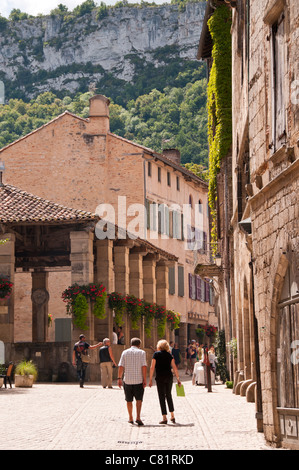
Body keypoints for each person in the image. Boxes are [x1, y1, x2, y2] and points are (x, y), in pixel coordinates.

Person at [149, 339, 181, 424]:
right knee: (169, 395)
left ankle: (164, 417)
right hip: (169, 377)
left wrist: (150, 379)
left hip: (160, 377)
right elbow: (174, 367)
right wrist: (178, 379)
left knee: (161, 396)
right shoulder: (169, 355)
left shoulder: (156, 354)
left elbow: (152, 367)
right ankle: (172, 415)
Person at [118, 337, 147, 425]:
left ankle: (130, 417)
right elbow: (144, 366)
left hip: (127, 380)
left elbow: (121, 366)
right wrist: (144, 379)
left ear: (131, 344)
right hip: (138, 380)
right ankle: (138, 416)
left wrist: (119, 378)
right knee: (139, 399)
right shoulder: (142, 352)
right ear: (139, 345)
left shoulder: (125, 352)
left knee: (128, 400)